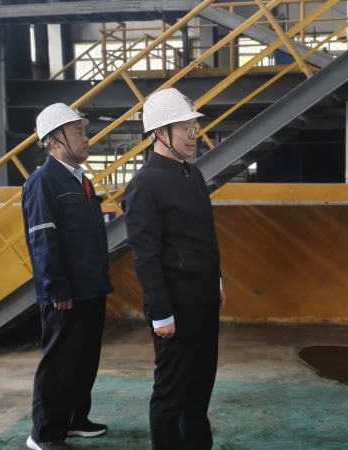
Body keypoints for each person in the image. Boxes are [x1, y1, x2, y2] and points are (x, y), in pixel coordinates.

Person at [122, 88, 226, 450]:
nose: (193, 135)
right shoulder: (144, 186)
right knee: (171, 391)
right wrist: (161, 313)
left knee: (200, 385)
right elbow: (145, 256)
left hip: (203, 298)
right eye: (185, 128)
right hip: (176, 306)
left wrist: (217, 282)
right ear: (160, 133)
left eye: (194, 128)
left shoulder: (192, 175)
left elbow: (206, 236)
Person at [22, 103, 114, 450]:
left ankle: (75, 418)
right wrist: (57, 288)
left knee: (85, 358)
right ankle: (44, 433)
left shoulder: (80, 180)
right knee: (60, 362)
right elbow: (43, 240)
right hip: (66, 292)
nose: (86, 138)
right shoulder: (43, 183)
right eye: (78, 132)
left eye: (84, 131)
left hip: (91, 287)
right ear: (56, 140)